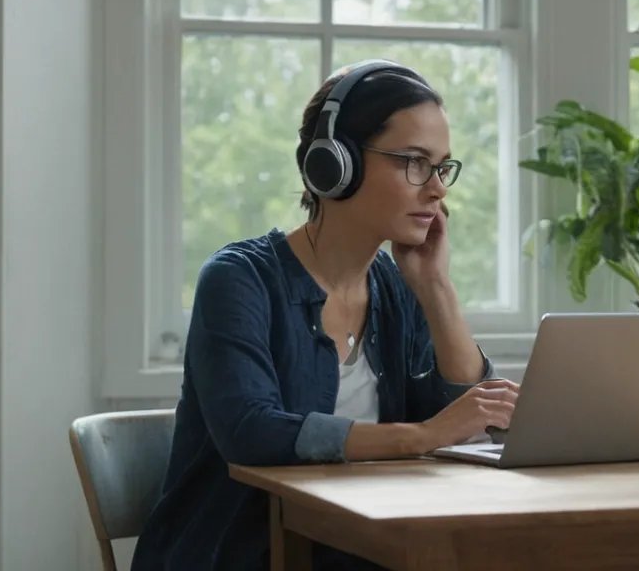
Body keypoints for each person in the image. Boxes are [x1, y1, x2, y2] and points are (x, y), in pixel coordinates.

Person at [130, 60, 521, 571]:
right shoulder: (239, 279)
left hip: (364, 548)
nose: (437, 189)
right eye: (414, 162)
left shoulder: (395, 285)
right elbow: (251, 432)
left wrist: (437, 289)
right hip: (237, 553)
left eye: (441, 167)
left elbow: (463, 423)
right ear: (335, 164)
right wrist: (422, 437)